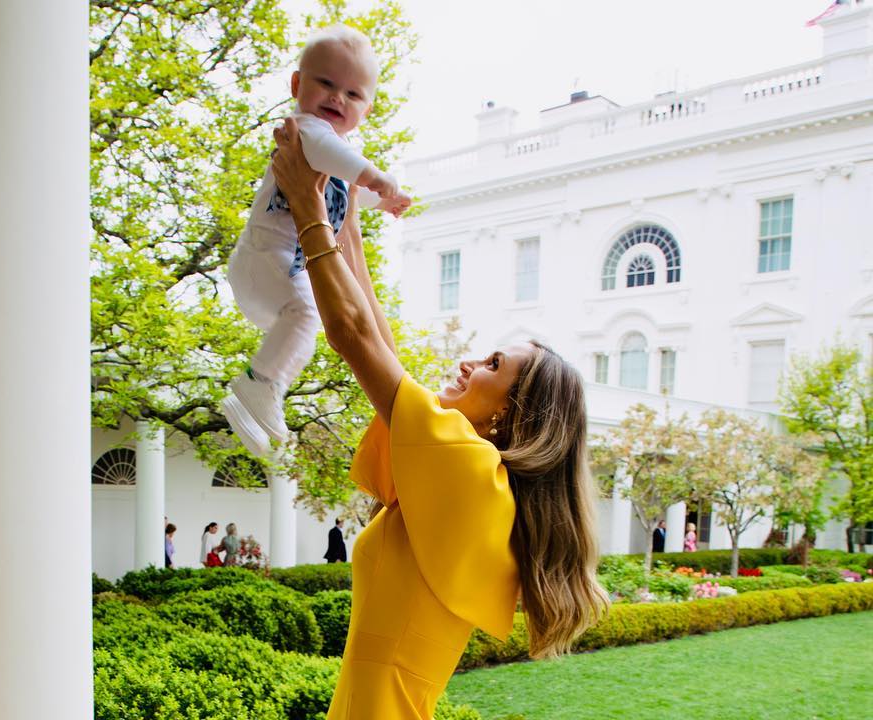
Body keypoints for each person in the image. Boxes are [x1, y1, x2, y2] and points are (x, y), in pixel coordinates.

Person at [269, 118, 608, 719]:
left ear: (511, 415)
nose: (467, 362)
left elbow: (354, 338)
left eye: (492, 364)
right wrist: (344, 218)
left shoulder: (472, 470)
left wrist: (305, 205)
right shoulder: (473, 483)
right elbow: (379, 344)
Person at [221, 24, 412, 457]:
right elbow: (340, 161)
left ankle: (256, 398)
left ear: (367, 108)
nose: (337, 98)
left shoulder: (328, 153)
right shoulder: (306, 130)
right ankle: (259, 384)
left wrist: (379, 202)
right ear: (296, 84)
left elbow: (343, 191)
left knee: (309, 323)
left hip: (273, 270)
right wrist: (379, 178)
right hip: (264, 258)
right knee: (308, 313)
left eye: (353, 94)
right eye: (326, 83)